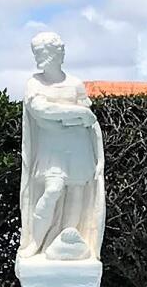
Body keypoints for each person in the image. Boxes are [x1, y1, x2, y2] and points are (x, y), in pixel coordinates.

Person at [16, 30, 106, 262]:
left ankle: (66, 242)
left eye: (42, 52)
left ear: (55, 54)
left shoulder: (75, 84)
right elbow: (41, 111)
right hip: (52, 150)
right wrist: (74, 115)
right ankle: (35, 242)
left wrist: (62, 117)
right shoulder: (34, 83)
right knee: (53, 189)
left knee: (76, 192)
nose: (38, 57)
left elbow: (89, 118)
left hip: (78, 148)